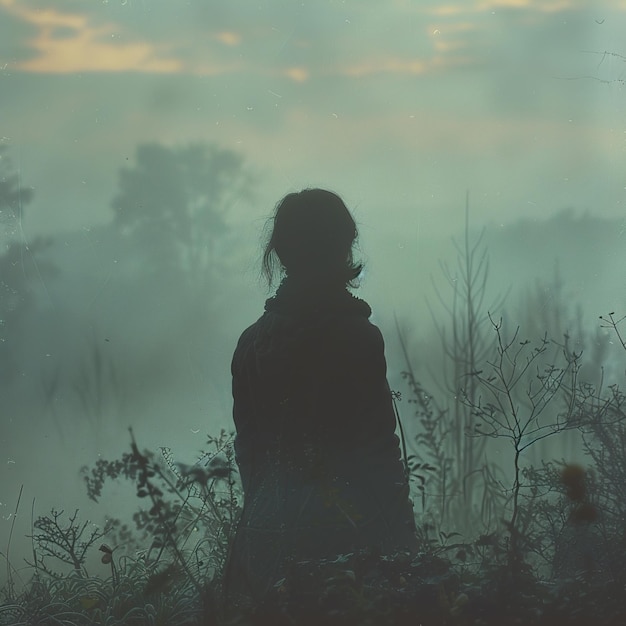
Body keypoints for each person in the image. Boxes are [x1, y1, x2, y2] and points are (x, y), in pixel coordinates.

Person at [224, 188, 418, 605]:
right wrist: (403, 547)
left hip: (264, 545)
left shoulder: (250, 342)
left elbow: (250, 459)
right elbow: (378, 454)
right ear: (342, 245)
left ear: (281, 252)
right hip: (343, 544)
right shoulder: (356, 337)